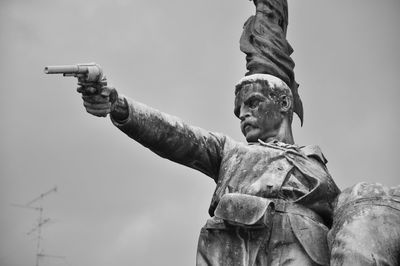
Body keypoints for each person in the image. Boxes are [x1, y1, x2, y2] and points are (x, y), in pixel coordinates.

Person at [76, 0, 340, 265]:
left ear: (283, 103)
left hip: (302, 250)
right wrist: (119, 106)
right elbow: (175, 134)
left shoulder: (315, 163)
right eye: (239, 110)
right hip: (237, 249)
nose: (243, 114)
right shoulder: (231, 154)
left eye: (253, 102)